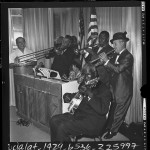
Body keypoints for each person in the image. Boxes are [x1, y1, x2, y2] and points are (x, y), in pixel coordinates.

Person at [49, 63, 112, 142]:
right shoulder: (85, 84)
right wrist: (69, 96)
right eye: (84, 75)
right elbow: (79, 97)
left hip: (93, 121)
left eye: (88, 75)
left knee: (62, 126)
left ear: (95, 74)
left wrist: (90, 94)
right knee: (53, 120)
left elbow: (103, 110)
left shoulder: (104, 89)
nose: (85, 78)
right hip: (79, 115)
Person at [99, 31, 134, 139]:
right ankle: (109, 127)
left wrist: (106, 61)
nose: (113, 46)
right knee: (113, 110)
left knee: (119, 113)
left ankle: (113, 132)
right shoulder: (115, 55)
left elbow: (118, 69)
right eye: (113, 44)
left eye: (115, 44)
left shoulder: (128, 56)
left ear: (122, 43)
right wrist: (104, 63)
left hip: (123, 90)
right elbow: (111, 69)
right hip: (114, 88)